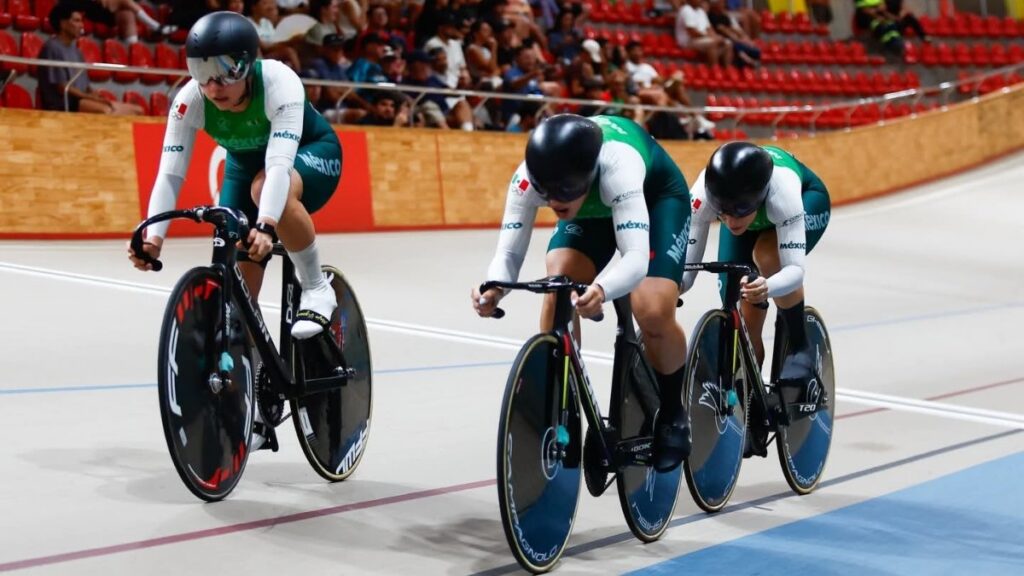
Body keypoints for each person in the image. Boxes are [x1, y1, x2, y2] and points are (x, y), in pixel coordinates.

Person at [472, 114, 693, 472]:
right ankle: (563, 404)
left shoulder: (618, 167)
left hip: (656, 198)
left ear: (587, 176)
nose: (554, 201)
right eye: (547, 194)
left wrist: (602, 290)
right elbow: (509, 253)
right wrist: (493, 288)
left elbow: (636, 259)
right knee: (558, 286)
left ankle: (672, 411)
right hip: (594, 207)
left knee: (652, 309)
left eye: (564, 192)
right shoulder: (528, 179)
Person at [128, 11, 342, 350]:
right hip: (245, 167)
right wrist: (153, 238)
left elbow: (278, 166)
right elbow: (169, 175)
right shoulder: (189, 100)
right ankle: (252, 365)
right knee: (237, 292)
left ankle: (316, 287)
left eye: (226, 71)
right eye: (201, 72)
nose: (213, 87)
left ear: (247, 65)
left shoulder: (278, 81)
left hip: (311, 153)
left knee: (263, 190)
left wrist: (266, 225)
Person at [682, 143, 831, 438]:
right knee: (738, 306)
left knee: (767, 256)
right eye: (723, 214)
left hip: (808, 199)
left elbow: (795, 270)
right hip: (753, 212)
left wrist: (768, 285)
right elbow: (687, 269)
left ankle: (799, 347)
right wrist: (675, 287)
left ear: (759, 199)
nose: (730, 222)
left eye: (739, 213)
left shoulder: (782, 195)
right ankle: (751, 398)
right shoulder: (702, 196)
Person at [38, 5, 143, 114]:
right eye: (76, 21)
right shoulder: (51, 48)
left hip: (82, 100)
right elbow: (62, 87)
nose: (81, 25)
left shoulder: (76, 50)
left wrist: (94, 95)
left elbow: (85, 84)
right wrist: (90, 98)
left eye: (81, 21)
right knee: (105, 111)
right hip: (65, 103)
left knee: (137, 111)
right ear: (63, 24)